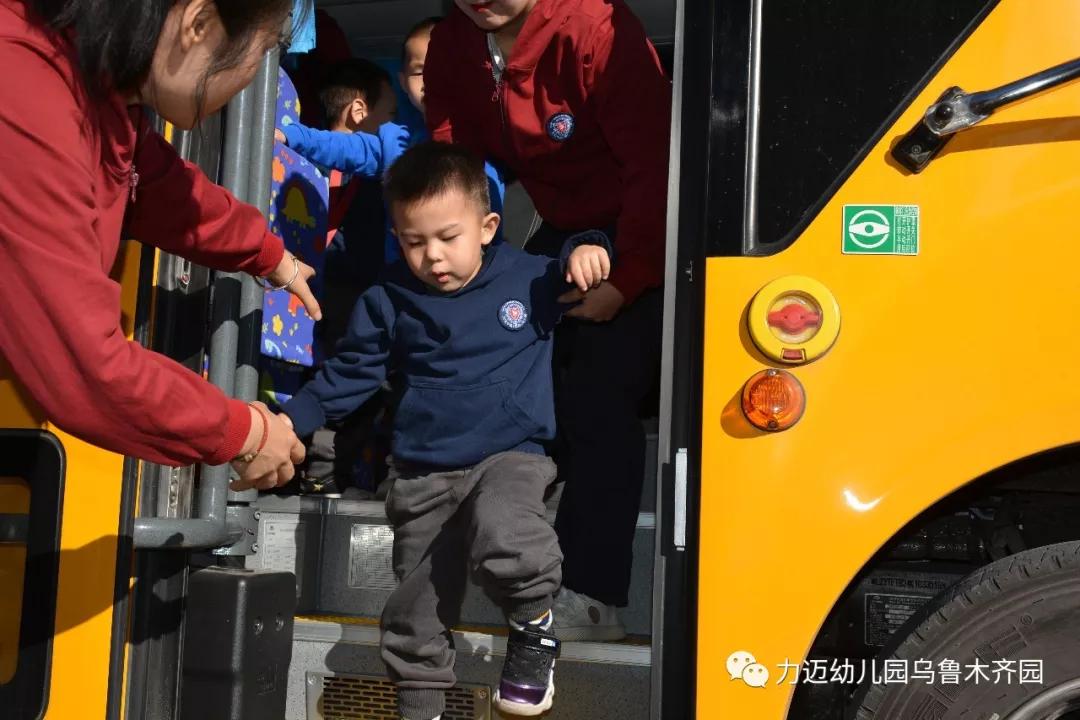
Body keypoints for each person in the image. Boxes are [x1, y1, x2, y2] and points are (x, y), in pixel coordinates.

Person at [280, 142, 612, 720]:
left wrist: (590, 248)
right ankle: (421, 704)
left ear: (487, 227)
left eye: (447, 238)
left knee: (506, 532)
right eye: (413, 241)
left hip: (511, 455)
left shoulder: (529, 279)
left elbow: (579, 258)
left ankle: (534, 633)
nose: (432, 256)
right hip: (421, 469)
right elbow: (353, 371)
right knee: (415, 600)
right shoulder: (388, 298)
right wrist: (291, 421)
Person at [0, 0, 322, 491]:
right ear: (198, 23)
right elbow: (86, 367)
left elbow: (159, 187)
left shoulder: (94, 85)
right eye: (261, 51)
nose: (253, 76)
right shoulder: (23, 84)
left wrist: (270, 254)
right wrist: (245, 432)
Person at [424, 0, 671, 640]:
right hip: (561, 223)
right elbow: (456, 156)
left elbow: (652, 165)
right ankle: (504, 546)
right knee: (506, 360)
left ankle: (593, 593)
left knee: (596, 391)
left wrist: (629, 276)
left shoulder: (596, 30)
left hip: (639, 226)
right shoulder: (456, 39)